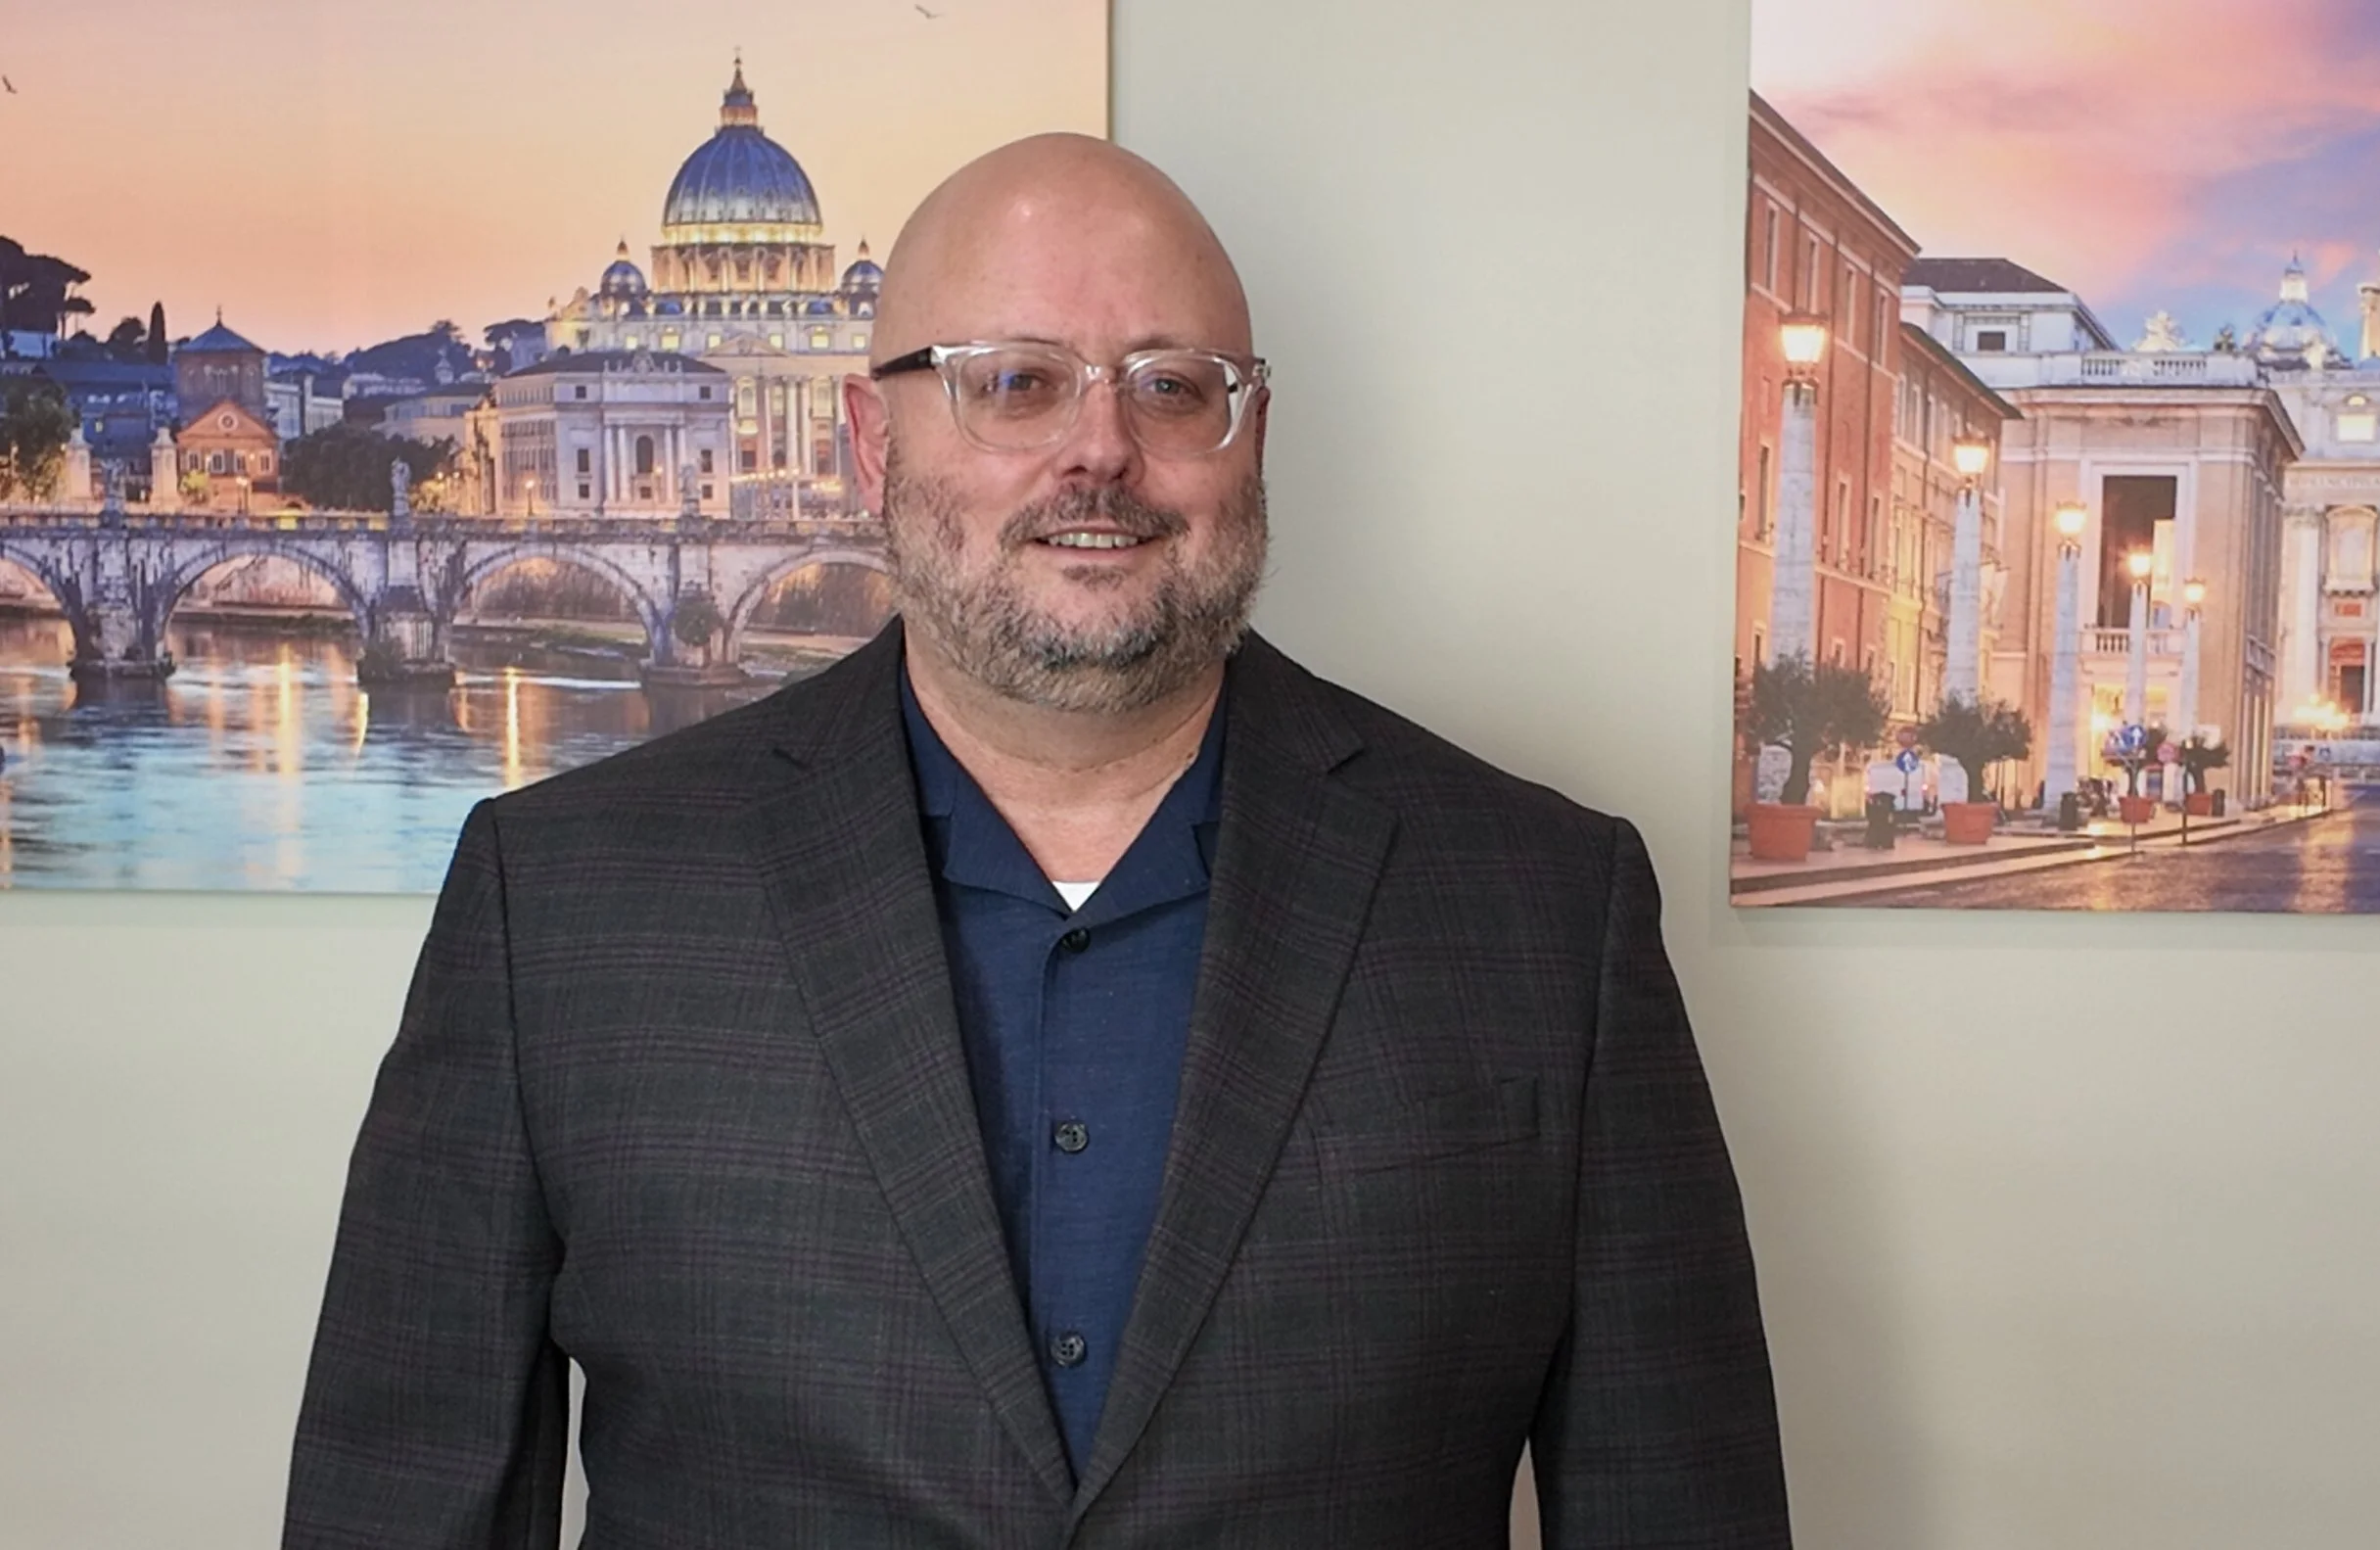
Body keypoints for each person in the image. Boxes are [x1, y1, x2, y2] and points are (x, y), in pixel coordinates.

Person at [285, 134, 1790, 1548]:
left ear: (1250, 435)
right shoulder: (556, 903)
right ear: (872, 441)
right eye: (1014, 382)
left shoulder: (1546, 908)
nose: (1100, 451)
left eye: (1172, 387)